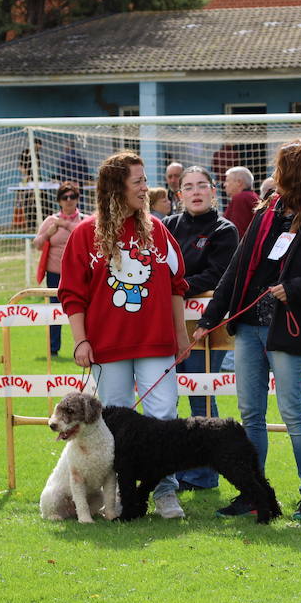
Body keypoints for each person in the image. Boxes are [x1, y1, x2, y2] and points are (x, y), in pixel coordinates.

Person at [194, 140, 301, 523]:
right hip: (248, 328)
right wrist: (208, 319)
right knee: (250, 414)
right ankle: (254, 493)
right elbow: (236, 269)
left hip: (289, 330)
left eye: (282, 169)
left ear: (296, 175)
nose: (275, 176)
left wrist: (294, 289)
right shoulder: (266, 214)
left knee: (293, 412)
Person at [58, 151, 190, 519]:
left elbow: (177, 285)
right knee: (114, 423)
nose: (146, 189)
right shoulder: (86, 233)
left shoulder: (158, 230)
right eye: (138, 182)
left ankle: (166, 492)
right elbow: (72, 293)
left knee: (163, 416)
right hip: (107, 346)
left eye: (147, 181)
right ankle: (118, 497)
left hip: (156, 342)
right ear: (116, 188)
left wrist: (181, 336)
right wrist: (80, 340)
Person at [164, 166, 240, 491]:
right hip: (163, 325)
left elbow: (216, 276)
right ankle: (170, 469)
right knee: (165, 401)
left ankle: (202, 475)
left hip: (202, 328)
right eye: (188, 187)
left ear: (213, 191)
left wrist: (171, 289)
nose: (195, 192)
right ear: (179, 195)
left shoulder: (225, 230)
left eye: (201, 186)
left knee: (199, 397)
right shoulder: (166, 226)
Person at [32, 180, 85, 355]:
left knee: (83, 310)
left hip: (79, 274)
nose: (69, 200)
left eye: (73, 196)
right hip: (55, 274)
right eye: (65, 197)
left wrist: (67, 225)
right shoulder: (51, 221)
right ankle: (53, 349)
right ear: (59, 200)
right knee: (54, 311)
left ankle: (85, 344)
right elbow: (37, 244)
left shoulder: (83, 220)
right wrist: (48, 234)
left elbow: (91, 238)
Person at [222, 165, 259, 236]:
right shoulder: (254, 196)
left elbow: (237, 232)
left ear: (239, 182)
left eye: (227, 181)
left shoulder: (240, 198)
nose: (224, 184)